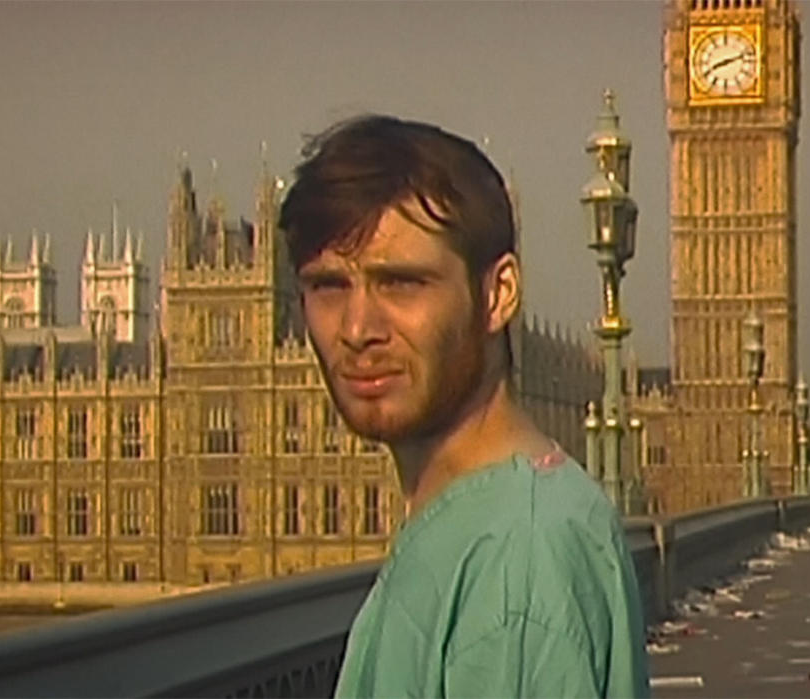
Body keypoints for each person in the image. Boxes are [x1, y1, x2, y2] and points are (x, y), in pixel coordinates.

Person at [278, 115, 650, 698]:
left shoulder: (516, 566)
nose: (357, 328)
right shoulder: (486, 525)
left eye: (401, 283)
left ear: (498, 294)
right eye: (328, 287)